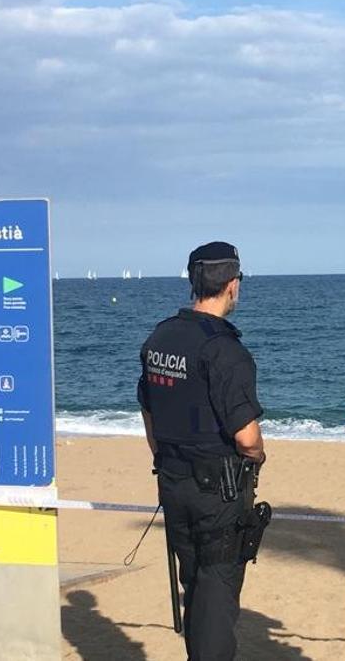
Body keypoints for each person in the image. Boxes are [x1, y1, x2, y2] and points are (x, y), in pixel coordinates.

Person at [138, 241, 268, 660]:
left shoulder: (161, 336)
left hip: (174, 481)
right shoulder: (225, 350)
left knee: (193, 583)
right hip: (217, 491)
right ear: (232, 285)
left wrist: (165, 454)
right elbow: (246, 437)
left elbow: (148, 408)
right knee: (216, 591)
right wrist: (258, 457)